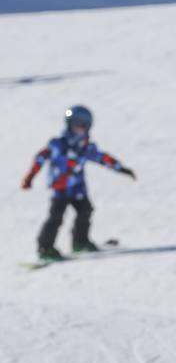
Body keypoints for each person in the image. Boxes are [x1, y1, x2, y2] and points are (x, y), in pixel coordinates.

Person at [20, 105, 137, 261]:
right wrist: (30, 177)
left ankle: (80, 241)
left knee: (86, 211)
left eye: (83, 126)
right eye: (76, 125)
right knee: (56, 217)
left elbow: (103, 158)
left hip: (77, 188)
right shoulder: (58, 144)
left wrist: (122, 169)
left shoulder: (86, 147)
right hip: (60, 187)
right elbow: (41, 157)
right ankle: (45, 247)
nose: (79, 129)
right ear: (69, 124)